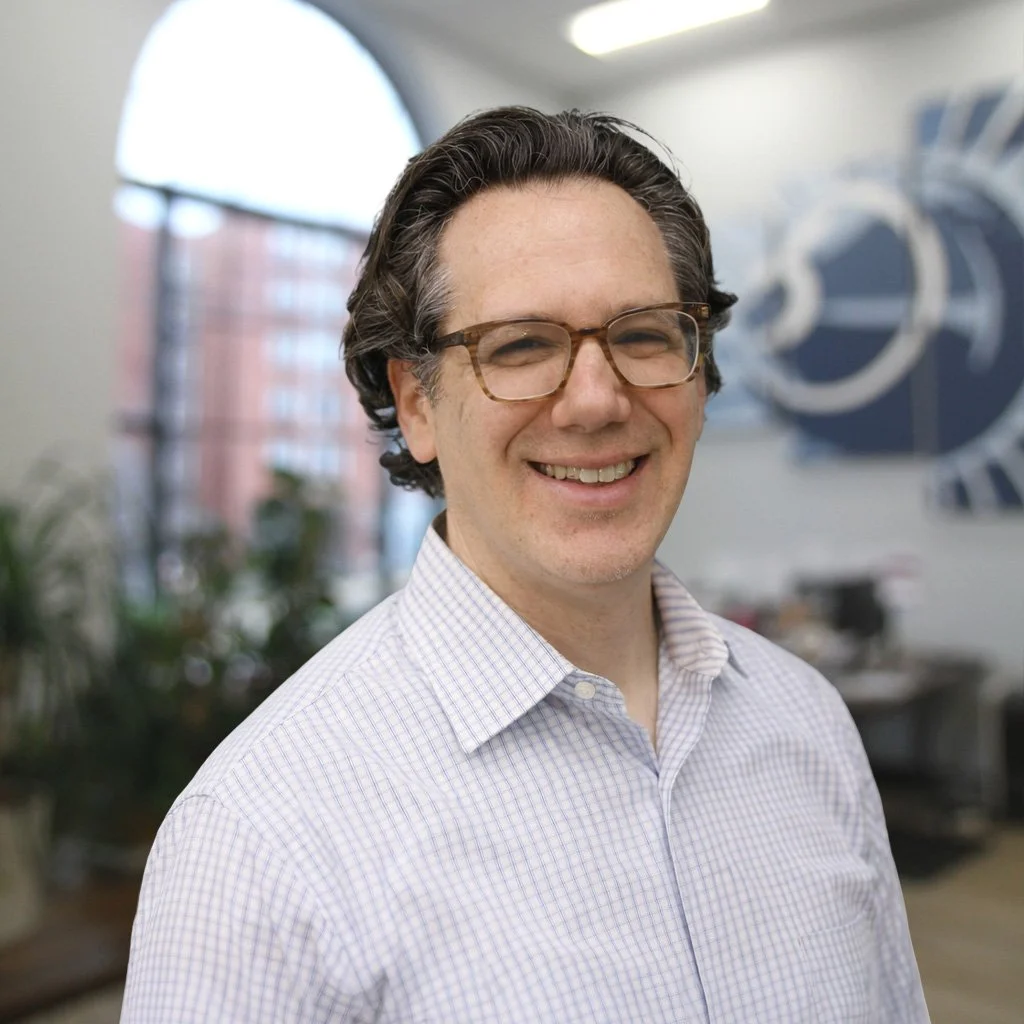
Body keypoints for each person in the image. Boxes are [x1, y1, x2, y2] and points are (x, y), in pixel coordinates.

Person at [122, 107, 929, 1023]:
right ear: (416, 403)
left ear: (699, 370)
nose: (596, 400)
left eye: (643, 334)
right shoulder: (259, 834)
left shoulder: (808, 723)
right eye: (520, 345)